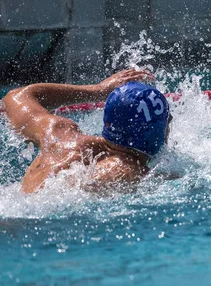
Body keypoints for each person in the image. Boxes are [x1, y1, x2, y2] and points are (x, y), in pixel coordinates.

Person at [2, 69, 171, 193]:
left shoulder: (61, 136)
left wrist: (97, 91)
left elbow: (14, 97)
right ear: (154, 133)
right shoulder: (128, 171)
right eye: (167, 121)